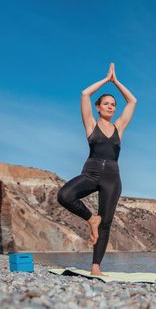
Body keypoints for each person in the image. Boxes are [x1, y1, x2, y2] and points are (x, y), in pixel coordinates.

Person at [57, 63, 137, 276]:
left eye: (113, 104)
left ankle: (95, 267)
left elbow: (132, 101)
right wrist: (105, 79)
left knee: (107, 223)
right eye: (106, 104)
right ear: (98, 107)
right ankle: (90, 218)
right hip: (91, 173)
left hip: (112, 178)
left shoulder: (119, 127)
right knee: (64, 195)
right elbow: (85, 93)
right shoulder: (91, 125)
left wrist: (116, 81)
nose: (111, 107)